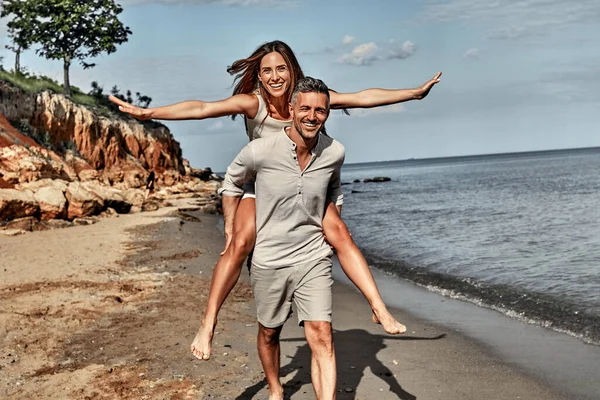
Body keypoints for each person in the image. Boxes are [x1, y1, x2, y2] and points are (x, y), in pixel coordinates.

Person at [109, 40, 442, 361]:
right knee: (238, 243)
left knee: (340, 234)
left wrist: (413, 93)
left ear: (292, 70)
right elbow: (202, 108)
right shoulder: (253, 103)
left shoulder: (308, 100)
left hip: (304, 186)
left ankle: (378, 308)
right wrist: (151, 113)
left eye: (281, 68)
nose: (274, 76)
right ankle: (208, 323)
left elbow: (362, 97)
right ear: (259, 75)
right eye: (266, 70)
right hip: (261, 188)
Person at [225, 77, 349, 399]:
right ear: (291, 109)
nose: (312, 116)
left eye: (320, 110)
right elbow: (232, 180)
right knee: (269, 332)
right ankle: (276, 388)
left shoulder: (334, 151)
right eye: (305, 108)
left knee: (322, 333)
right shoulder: (261, 150)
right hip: (270, 258)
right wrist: (232, 225)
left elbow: (334, 185)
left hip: (312, 254)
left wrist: (334, 212)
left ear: (328, 113)